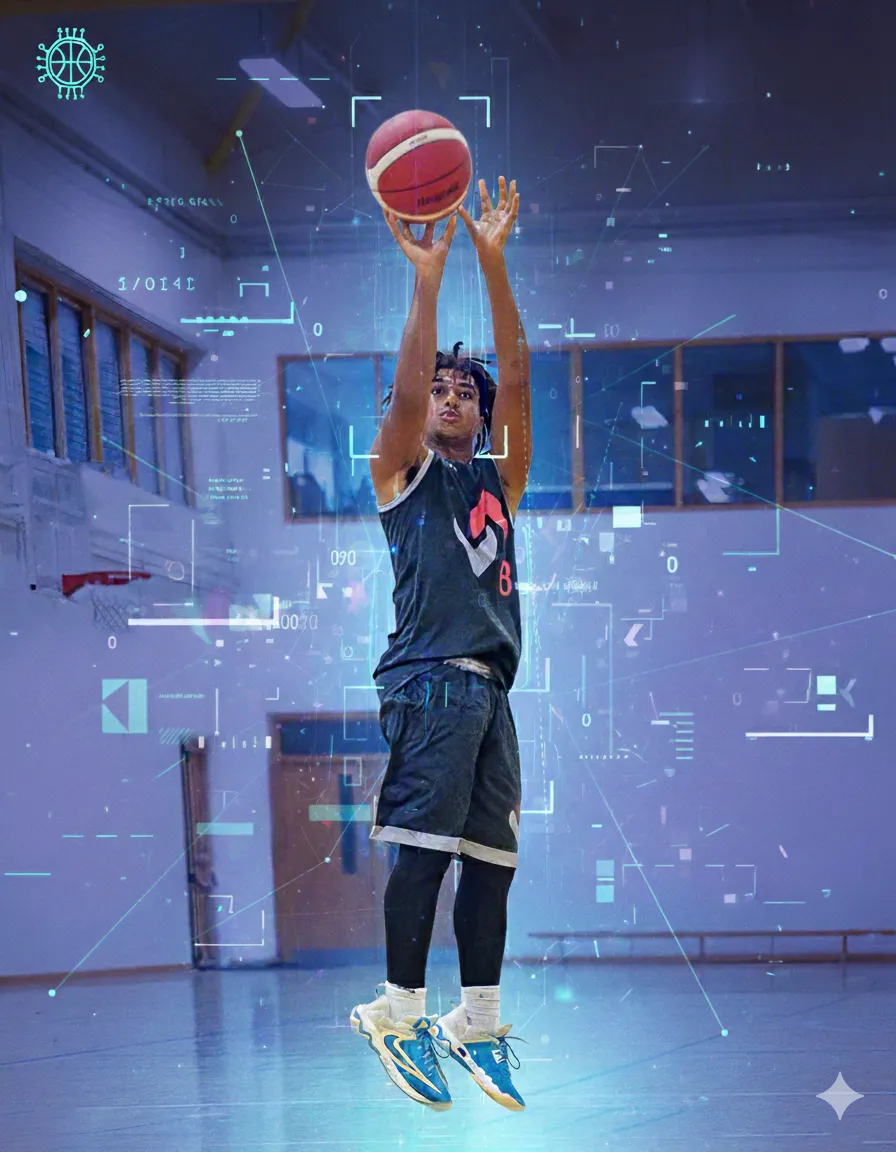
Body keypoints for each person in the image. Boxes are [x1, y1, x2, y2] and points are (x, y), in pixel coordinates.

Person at [350, 176, 532, 1113]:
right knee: (423, 852)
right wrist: (428, 281)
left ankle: (478, 1020)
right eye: (438, 389)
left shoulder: (500, 479)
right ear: (415, 406)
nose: (450, 395)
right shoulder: (400, 469)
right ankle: (397, 1011)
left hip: (492, 695)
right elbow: (413, 378)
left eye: (467, 390)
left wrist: (493, 265)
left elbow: (520, 378)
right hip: (430, 684)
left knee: (492, 866)